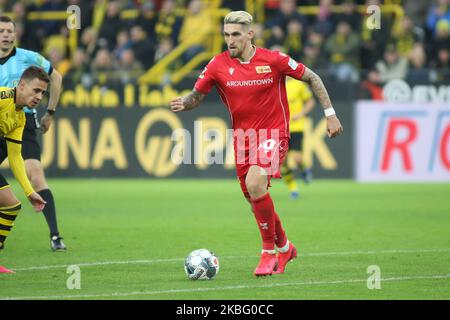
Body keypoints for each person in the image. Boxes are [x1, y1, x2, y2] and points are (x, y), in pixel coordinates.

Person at [170, 11, 343, 276]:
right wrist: (186, 102)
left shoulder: (273, 60)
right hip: (243, 140)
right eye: (226, 35)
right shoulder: (217, 65)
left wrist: (330, 115)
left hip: (275, 134)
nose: (230, 40)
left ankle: (268, 254)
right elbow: (197, 95)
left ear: (250, 34)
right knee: (255, 198)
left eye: (236, 35)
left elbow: (313, 77)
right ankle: (285, 247)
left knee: (255, 184)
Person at [0, 16, 65, 251]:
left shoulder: (28, 58)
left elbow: (56, 76)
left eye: (10, 31)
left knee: (33, 178)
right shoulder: (3, 97)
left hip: (22, 119)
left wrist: (50, 111)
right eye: (1, 31)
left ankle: (55, 235)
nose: (6, 35)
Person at [0, 66, 49, 273]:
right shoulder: (2, 97)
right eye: (35, 90)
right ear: (21, 85)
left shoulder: (20, 117)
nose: (39, 97)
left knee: (11, 205)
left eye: (43, 93)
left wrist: (30, 192)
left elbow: (15, 157)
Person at [281, 78, 315, 199]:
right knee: (281, 162)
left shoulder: (298, 84)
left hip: (296, 126)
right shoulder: (273, 83)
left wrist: (300, 114)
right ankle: (293, 189)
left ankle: (305, 169)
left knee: (296, 157)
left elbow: (311, 101)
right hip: (279, 127)